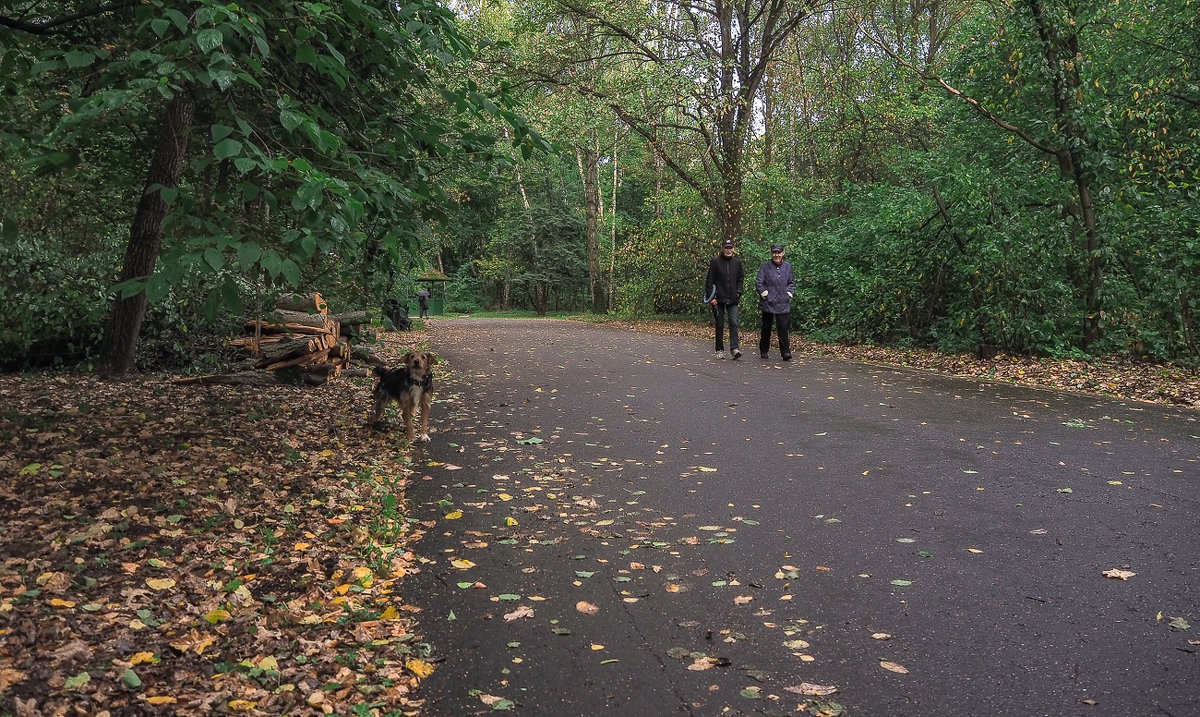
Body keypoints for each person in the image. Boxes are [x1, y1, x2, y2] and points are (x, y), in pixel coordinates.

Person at [704, 239, 744, 360]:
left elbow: (740, 278)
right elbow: (709, 280)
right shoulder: (715, 262)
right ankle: (719, 350)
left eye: (730, 247)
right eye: (726, 248)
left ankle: (734, 349)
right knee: (720, 325)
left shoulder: (737, 263)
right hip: (718, 299)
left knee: (733, 322)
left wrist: (738, 292)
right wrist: (712, 297)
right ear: (722, 248)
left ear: (733, 248)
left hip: (732, 298)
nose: (728, 250)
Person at [756, 243, 795, 360]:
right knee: (766, 326)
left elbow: (791, 283)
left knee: (782, 326)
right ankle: (764, 350)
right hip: (768, 301)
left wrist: (789, 293)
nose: (776, 255)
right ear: (771, 253)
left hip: (783, 301)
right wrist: (764, 293)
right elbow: (759, 282)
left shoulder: (787, 266)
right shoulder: (765, 266)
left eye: (779, 252)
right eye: (774, 252)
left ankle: (785, 352)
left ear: (783, 253)